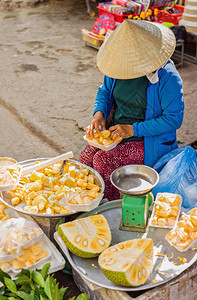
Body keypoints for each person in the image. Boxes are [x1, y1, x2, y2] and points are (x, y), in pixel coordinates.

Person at [79, 19, 184, 200]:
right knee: (85, 159)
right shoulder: (117, 68)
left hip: (149, 140)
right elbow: (104, 91)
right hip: (116, 132)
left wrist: (132, 129)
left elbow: (173, 119)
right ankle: (80, 203)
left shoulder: (168, 77)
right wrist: (99, 114)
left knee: (103, 161)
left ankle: (109, 207)